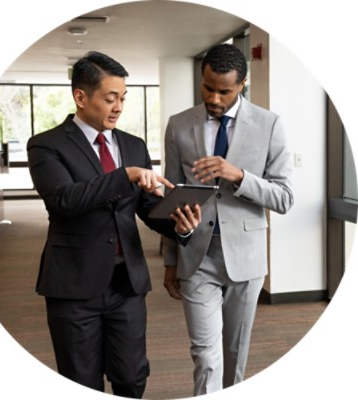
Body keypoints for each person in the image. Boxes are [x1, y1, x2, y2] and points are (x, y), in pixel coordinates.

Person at [27, 51, 200, 398]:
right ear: (80, 96)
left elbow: (149, 208)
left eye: (123, 98)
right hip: (74, 286)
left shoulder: (133, 145)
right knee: (81, 380)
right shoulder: (46, 145)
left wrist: (180, 225)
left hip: (127, 284)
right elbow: (64, 200)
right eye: (110, 98)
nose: (118, 106)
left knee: (133, 377)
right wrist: (125, 176)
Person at [162, 43, 294, 395]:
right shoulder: (178, 125)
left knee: (234, 352)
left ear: (242, 84)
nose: (214, 97)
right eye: (208, 87)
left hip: (246, 257)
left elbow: (284, 197)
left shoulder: (270, 124)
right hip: (196, 256)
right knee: (205, 354)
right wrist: (170, 260)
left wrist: (239, 176)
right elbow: (171, 197)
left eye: (224, 90)